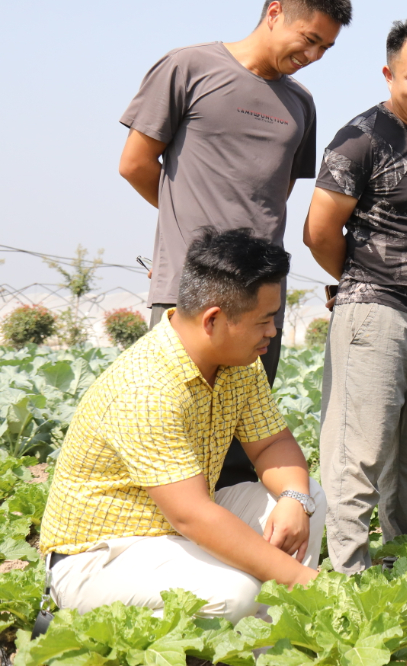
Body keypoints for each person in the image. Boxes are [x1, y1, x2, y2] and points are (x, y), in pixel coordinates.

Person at [118, 0, 352, 488]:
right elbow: (135, 164)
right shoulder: (188, 67)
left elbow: (273, 193)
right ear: (275, 12)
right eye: (308, 39)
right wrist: (188, 229)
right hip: (188, 289)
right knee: (171, 437)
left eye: (325, 48)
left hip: (262, 300)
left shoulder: (300, 104)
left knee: (244, 444)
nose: (313, 55)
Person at [39, 229, 325, 622]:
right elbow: (192, 516)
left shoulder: (238, 363)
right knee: (234, 593)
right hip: (101, 555)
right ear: (214, 320)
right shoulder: (147, 387)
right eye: (264, 320)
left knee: (306, 498)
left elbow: (272, 444)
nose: (272, 332)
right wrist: (301, 580)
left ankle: (272, 639)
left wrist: (294, 498)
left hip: (175, 527)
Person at [302, 16, 407, 575]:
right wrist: (359, 280)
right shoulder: (360, 138)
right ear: (389, 74)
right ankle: (347, 577)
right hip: (374, 312)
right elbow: (319, 231)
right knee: (359, 455)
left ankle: (405, 571)